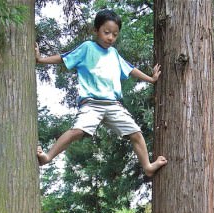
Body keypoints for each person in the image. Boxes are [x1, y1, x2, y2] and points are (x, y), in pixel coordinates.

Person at [35, 9, 167, 177]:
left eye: (115, 34)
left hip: (113, 105)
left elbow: (131, 69)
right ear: (95, 30)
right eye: (106, 32)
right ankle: (47, 157)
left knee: (136, 133)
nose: (110, 37)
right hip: (91, 103)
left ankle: (147, 166)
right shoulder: (87, 48)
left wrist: (151, 79)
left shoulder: (114, 53)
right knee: (77, 131)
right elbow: (64, 57)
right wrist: (40, 60)